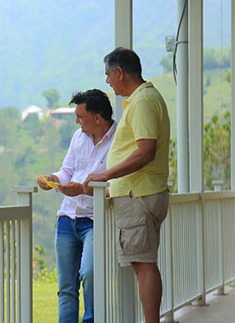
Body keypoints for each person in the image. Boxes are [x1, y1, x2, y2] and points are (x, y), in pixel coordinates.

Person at [83, 47, 170, 323]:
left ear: (120, 72)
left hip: (138, 194)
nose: (107, 81)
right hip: (141, 192)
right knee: (142, 263)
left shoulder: (143, 101)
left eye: (108, 74)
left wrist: (106, 175)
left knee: (144, 264)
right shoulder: (143, 99)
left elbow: (146, 151)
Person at [37, 89, 116, 323]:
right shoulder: (78, 137)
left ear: (97, 117)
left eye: (80, 116)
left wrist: (83, 189)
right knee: (66, 286)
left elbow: (118, 186)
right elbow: (67, 171)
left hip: (95, 219)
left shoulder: (120, 139)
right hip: (67, 216)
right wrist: (53, 178)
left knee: (90, 274)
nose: (76, 121)